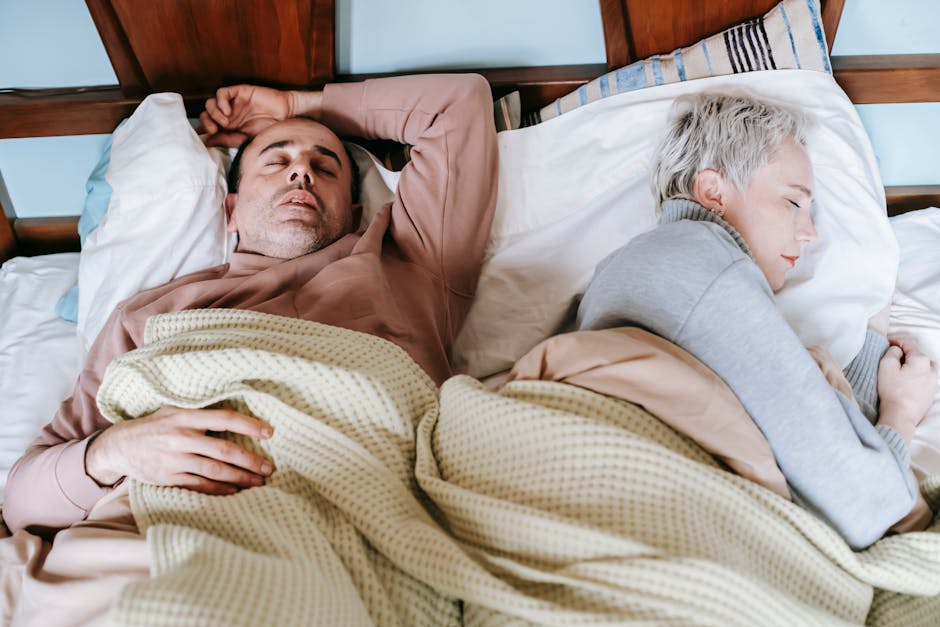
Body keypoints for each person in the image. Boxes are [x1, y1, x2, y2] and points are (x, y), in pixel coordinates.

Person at [3, 73, 498, 535]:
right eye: (277, 161)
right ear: (231, 208)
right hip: (172, 527)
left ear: (352, 214)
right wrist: (113, 451)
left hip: (362, 510)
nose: (302, 170)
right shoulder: (151, 314)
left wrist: (294, 105)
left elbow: (458, 104)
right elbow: (21, 503)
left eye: (324, 166)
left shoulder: (408, 258)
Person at [577, 91, 937, 549]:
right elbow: (866, 506)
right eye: (793, 202)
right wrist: (902, 413)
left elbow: (792, 436)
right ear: (713, 192)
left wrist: (872, 338)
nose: (811, 233)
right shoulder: (704, 266)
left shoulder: (623, 271)